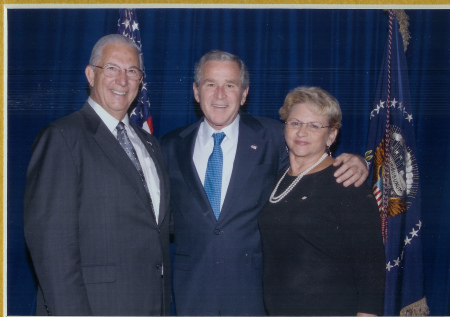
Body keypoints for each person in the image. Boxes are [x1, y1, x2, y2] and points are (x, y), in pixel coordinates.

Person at [159, 50, 369, 316]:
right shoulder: (168, 145)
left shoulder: (275, 137)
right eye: (211, 84)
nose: (220, 94)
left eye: (230, 85)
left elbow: (312, 166)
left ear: (244, 93)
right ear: (196, 91)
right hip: (193, 292)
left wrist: (355, 162)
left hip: (258, 293)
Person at [24, 34, 171, 316]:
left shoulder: (150, 144)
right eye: (112, 68)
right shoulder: (62, 138)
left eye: (132, 71)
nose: (122, 80)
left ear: (141, 81)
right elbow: (51, 249)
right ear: (91, 75)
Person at [258, 86, 385, 316]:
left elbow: (371, 272)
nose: (302, 132)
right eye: (295, 122)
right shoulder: (276, 181)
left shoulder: (346, 183)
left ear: (331, 135)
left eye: (314, 126)